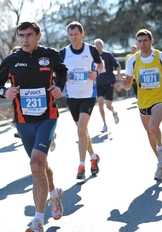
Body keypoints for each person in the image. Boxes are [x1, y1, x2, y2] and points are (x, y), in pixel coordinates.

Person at [0, 21, 67, 232]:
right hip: (23, 121)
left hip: (47, 117)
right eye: (21, 35)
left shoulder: (50, 55)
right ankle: (54, 194)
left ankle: (38, 222)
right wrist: (4, 92)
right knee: (40, 166)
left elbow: (62, 72)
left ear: (38, 35)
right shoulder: (12, 60)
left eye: (29, 35)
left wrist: (59, 86)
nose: (25, 40)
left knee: (35, 164)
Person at [122, 29, 162, 180]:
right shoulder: (132, 60)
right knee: (149, 133)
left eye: (145, 40)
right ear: (137, 43)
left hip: (160, 99)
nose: (142, 44)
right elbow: (128, 86)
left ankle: (161, 149)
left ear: (151, 41)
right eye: (139, 41)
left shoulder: (161, 56)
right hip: (143, 102)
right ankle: (161, 164)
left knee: (153, 127)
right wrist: (126, 83)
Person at [59, 21, 102, 181]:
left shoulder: (90, 50)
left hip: (88, 95)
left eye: (76, 34)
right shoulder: (63, 53)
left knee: (81, 129)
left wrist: (96, 73)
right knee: (82, 131)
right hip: (72, 97)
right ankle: (93, 156)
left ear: (82, 34)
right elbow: (57, 71)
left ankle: (81, 165)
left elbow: (101, 63)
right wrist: (64, 76)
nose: (73, 37)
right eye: (70, 34)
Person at [94, 38, 121, 133]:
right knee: (100, 104)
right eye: (96, 44)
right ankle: (104, 124)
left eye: (99, 44)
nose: (97, 46)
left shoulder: (108, 55)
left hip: (109, 82)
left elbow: (118, 66)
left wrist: (117, 80)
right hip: (99, 83)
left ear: (102, 45)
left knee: (108, 106)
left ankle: (114, 112)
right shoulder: (92, 57)